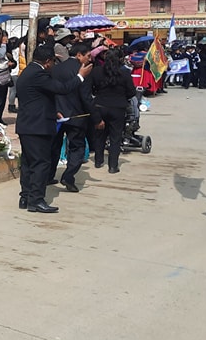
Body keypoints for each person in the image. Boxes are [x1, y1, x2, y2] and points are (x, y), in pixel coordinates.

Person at [15, 44, 92, 213]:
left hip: (27, 124)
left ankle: (25, 196)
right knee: (41, 163)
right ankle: (36, 200)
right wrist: (80, 76)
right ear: (48, 61)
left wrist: (53, 110)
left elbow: (38, 98)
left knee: (28, 163)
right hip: (37, 127)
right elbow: (62, 89)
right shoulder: (39, 74)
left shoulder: (28, 72)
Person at [50, 42, 94, 192]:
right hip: (77, 115)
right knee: (77, 147)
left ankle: (49, 175)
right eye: (88, 56)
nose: (89, 59)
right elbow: (86, 96)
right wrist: (95, 116)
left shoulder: (56, 69)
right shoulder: (84, 71)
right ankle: (68, 176)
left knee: (54, 146)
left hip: (58, 114)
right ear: (79, 55)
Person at [90, 48, 137, 174]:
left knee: (100, 134)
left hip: (100, 106)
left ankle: (98, 161)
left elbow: (91, 88)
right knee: (115, 137)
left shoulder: (96, 71)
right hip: (118, 108)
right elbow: (132, 92)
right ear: (120, 59)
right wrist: (122, 98)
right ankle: (113, 166)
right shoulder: (125, 73)